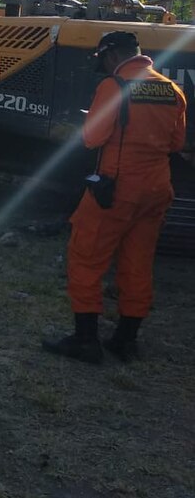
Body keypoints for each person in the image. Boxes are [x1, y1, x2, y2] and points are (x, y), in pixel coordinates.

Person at [43, 31, 187, 363]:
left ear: (111, 56)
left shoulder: (113, 87)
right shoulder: (171, 90)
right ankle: (126, 339)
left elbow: (93, 138)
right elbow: (177, 143)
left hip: (117, 189)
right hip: (156, 190)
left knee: (85, 256)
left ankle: (85, 340)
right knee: (137, 261)